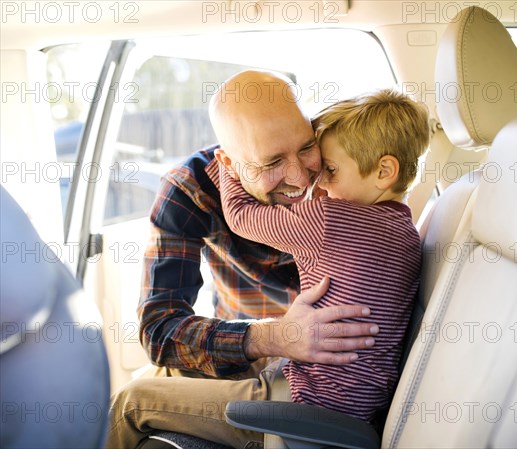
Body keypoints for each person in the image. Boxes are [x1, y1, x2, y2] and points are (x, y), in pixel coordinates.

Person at [106, 71, 380, 449]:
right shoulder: (190, 191)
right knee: (152, 375)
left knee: (128, 405)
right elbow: (159, 328)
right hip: (242, 345)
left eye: (305, 147)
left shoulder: (343, 171)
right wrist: (274, 336)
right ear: (229, 166)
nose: (301, 179)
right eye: (271, 163)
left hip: (320, 367)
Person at [217, 88, 429, 423]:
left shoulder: (331, 219)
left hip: (313, 400)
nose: (319, 185)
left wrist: (230, 168)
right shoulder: (404, 230)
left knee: (136, 402)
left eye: (330, 170)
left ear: (384, 171)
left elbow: (240, 216)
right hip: (362, 404)